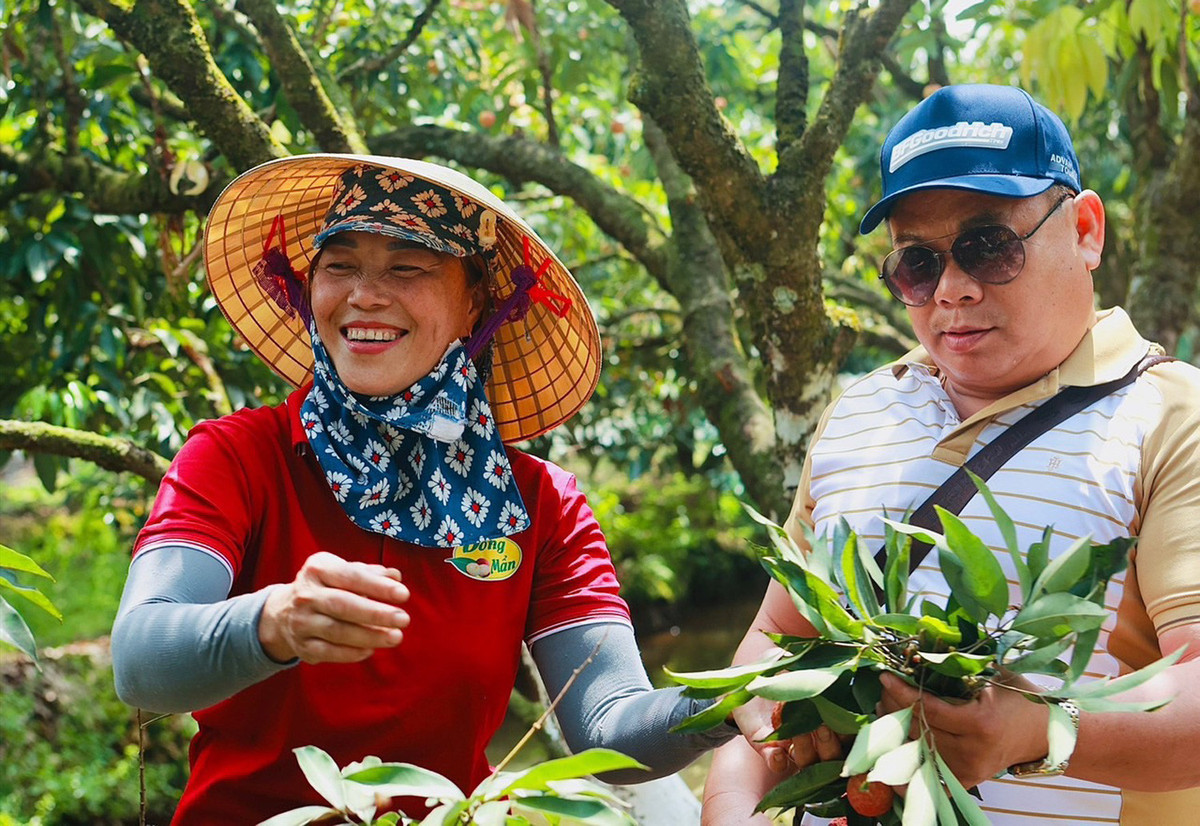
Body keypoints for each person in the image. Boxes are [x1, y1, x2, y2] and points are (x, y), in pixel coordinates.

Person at [110, 155, 733, 823]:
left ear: (474, 305)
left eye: (408, 267)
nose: (365, 295)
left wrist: (734, 703)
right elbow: (142, 655)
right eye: (340, 263)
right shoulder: (237, 458)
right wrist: (271, 623)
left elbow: (606, 722)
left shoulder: (538, 504)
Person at [701, 84, 1200, 825]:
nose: (953, 291)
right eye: (917, 263)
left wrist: (1040, 731)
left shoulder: (1172, 415)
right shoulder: (863, 408)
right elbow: (773, 651)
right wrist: (735, 804)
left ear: (1086, 230)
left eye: (989, 246)